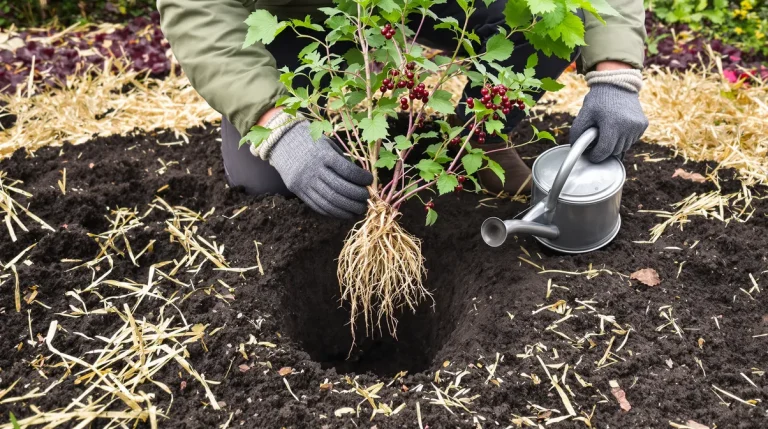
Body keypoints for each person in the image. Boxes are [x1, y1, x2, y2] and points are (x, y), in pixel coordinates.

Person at [157, 0, 648, 219]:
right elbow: (198, 8)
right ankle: (341, 141)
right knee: (264, 182)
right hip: (301, 17)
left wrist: (615, 73)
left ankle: (474, 138)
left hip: (437, 3)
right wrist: (274, 125)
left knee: (543, 18)